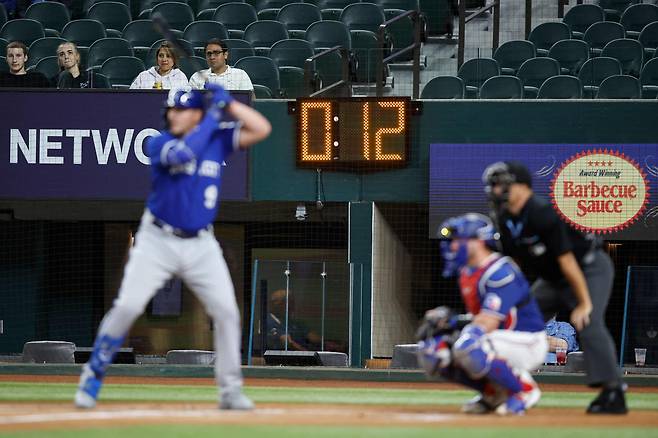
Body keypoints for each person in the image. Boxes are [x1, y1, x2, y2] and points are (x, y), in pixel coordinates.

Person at [74, 84, 271, 410]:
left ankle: (230, 390)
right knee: (127, 307)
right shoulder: (159, 142)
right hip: (157, 241)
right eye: (171, 109)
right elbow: (185, 154)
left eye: (181, 109)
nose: (173, 114)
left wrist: (230, 104)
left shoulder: (215, 139)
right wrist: (212, 114)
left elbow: (261, 128)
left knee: (226, 312)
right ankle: (92, 376)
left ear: (194, 113)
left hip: (202, 244)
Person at [482, 161, 627, 414]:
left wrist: (583, 303)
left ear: (521, 186)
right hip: (552, 279)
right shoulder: (504, 219)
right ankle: (504, 386)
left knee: (588, 321)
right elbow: (514, 265)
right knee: (517, 320)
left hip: (588, 268)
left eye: (501, 185)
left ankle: (613, 391)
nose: (496, 191)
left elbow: (568, 261)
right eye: (493, 186)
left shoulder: (541, 212)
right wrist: (509, 301)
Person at [417, 213, 547, 416]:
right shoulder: (468, 272)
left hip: (527, 341)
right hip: (499, 338)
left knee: (469, 345)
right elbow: (481, 318)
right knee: (434, 352)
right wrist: (452, 321)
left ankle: (523, 391)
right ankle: (493, 394)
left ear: (478, 241)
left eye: (458, 240)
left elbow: (489, 321)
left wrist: (463, 330)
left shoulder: (500, 270)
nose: (452, 246)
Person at [189, 39, 253, 93]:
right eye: (209, 54)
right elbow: (190, 103)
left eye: (216, 53)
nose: (212, 57)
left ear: (225, 55)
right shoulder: (197, 77)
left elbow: (250, 100)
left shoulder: (240, 75)